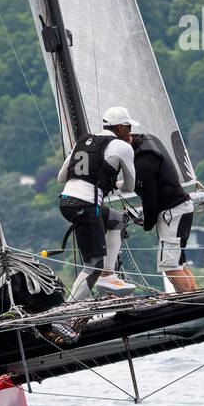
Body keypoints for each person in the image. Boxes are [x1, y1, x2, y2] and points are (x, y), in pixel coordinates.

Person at [57, 106, 138, 301]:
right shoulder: (123, 147)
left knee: (117, 220)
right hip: (86, 205)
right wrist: (111, 183)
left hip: (67, 201)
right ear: (119, 127)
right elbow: (130, 185)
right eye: (128, 127)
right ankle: (70, 310)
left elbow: (61, 177)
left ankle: (108, 275)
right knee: (92, 265)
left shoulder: (82, 142)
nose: (130, 132)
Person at [131, 129, 197, 293]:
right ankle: (192, 297)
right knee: (179, 264)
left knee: (170, 266)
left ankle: (188, 304)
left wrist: (147, 223)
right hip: (181, 208)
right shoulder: (147, 140)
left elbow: (150, 198)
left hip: (172, 213)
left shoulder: (143, 160)